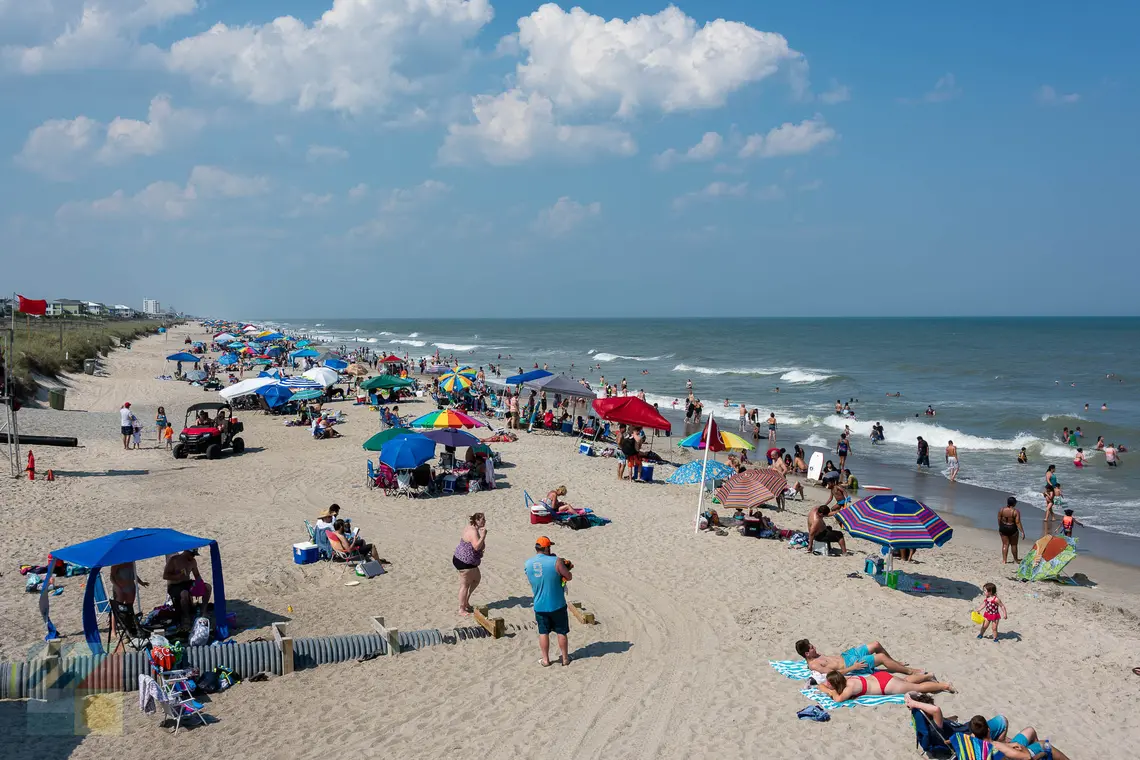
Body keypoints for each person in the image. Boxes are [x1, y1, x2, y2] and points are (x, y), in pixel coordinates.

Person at [524, 536, 573, 667]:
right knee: (561, 632)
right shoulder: (556, 561)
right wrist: (564, 567)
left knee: (543, 632)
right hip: (557, 604)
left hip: (540, 604)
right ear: (546, 548)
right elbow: (568, 576)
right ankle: (565, 659)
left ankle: (545, 660)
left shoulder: (528, 564)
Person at [795, 639, 923, 676]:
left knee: (876, 644)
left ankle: (895, 663)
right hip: (852, 664)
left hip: (848, 655)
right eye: (811, 648)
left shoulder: (815, 655)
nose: (815, 647)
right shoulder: (814, 665)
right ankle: (910, 671)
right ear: (807, 654)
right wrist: (853, 667)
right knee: (881, 657)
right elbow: (834, 673)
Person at [819, 670, 954, 703]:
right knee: (906, 681)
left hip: (886, 685)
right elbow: (822, 685)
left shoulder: (850, 688)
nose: (827, 684)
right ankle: (927, 676)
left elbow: (838, 699)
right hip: (880, 677)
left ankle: (944, 686)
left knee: (916, 688)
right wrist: (827, 687)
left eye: (829, 683)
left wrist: (830, 691)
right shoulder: (846, 679)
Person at [162, 549, 212, 628]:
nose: (193, 557)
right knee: (184, 593)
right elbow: (165, 576)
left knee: (208, 587)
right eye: (192, 554)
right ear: (186, 552)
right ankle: (186, 617)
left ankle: (203, 610)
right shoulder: (174, 560)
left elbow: (197, 575)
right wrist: (177, 576)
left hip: (187, 583)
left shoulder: (192, 561)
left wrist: (200, 585)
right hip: (175, 585)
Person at [454, 513, 486, 616]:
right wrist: (483, 536)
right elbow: (476, 546)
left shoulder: (471, 527)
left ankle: (466, 602)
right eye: (482, 519)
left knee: (476, 579)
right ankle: (461, 609)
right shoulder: (473, 531)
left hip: (463, 560)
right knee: (465, 585)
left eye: (484, 519)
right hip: (465, 562)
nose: (484, 521)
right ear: (476, 520)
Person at [998, 497, 1025, 563]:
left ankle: (1004, 560)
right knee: (1014, 545)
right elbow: (1017, 522)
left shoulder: (1001, 510)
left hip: (1003, 527)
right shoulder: (1015, 512)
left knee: (1005, 544)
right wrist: (1022, 531)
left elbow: (999, 519)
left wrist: (1000, 527)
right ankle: (1016, 559)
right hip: (1012, 528)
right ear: (1014, 503)